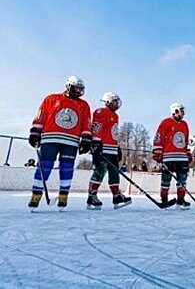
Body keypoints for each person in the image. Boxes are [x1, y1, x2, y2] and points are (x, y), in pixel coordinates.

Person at [27, 76, 92, 210]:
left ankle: (63, 196)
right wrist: (35, 132)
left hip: (71, 141)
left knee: (66, 168)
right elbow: (41, 116)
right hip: (50, 138)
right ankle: (36, 195)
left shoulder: (84, 105)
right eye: (76, 88)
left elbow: (87, 123)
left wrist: (86, 139)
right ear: (68, 86)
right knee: (45, 166)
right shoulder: (51, 98)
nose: (79, 91)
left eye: (81, 89)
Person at [86, 92, 131, 210]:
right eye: (115, 101)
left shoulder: (115, 116)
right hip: (102, 148)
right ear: (108, 101)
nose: (117, 104)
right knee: (99, 172)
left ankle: (116, 196)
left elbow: (113, 133)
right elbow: (96, 128)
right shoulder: (100, 112)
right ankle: (92, 196)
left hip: (112, 150)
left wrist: (117, 147)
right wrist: (95, 143)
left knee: (114, 173)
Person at [152, 102, 191, 209]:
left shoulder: (184, 124)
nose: (183, 113)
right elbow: (158, 137)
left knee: (182, 179)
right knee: (166, 179)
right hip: (169, 157)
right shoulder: (165, 122)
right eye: (181, 110)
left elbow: (185, 140)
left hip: (182, 157)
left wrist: (187, 152)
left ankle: (181, 200)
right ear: (175, 110)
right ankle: (164, 199)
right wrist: (157, 151)